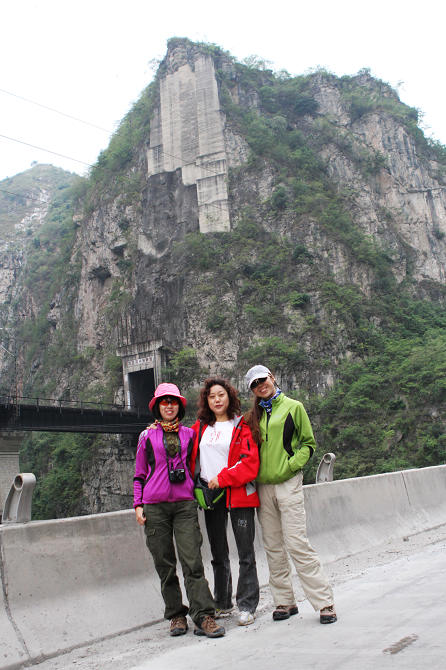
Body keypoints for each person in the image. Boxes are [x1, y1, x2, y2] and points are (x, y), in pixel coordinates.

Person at [244, 365, 337, 624]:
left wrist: (291, 466)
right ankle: (284, 601)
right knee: (273, 546)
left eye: (262, 380)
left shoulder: (294, 407)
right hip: (263, 487)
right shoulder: (252, 417)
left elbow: (308, 444)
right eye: (254, 384)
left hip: (288, 483)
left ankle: (324, 603)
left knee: (297, 542)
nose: (260, 385)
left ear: (272, 377)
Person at [133, 382, 225, 638]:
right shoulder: (146, 436)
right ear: (157, 407)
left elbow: (200, 461)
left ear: (179, 406)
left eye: (173, 401)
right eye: (164, 402)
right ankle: (176, 615)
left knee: (192, 561)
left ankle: (204, 615)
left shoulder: (189, 435)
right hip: (155, 506)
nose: (169, 406)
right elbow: (139, 474)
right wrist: (138, 504)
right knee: (164, 564)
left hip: (185, 504)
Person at [190, 377, 260, 626]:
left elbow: (250, 463)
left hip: (239, 494)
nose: (217, 400)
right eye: (212, 396)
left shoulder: (241, 426)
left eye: (221, 395)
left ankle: (247, 605)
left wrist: (223, 478)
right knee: (218, 553)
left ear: (229, 397)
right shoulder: (200, 428)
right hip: (212, 497)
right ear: (206, 401)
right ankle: (222, 601)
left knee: (245, 552)